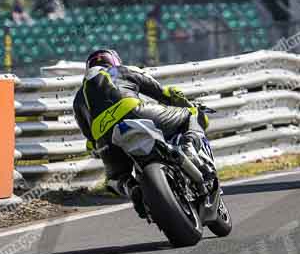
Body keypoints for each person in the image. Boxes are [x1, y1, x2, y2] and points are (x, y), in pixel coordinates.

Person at [72, 49, 210, 218]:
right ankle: (189, 147)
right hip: (137, 111)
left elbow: (90, 139)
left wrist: (98, 146)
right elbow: (162, 93)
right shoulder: (119, 71)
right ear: (115, 60)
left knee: (114, 179)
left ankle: (131, 188)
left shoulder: (79, 97)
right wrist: (182, 102)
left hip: (105, 136)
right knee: (192, 114)